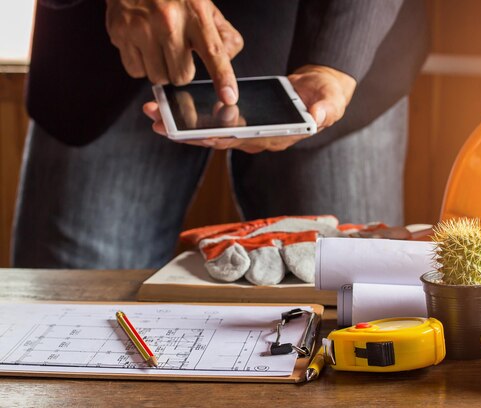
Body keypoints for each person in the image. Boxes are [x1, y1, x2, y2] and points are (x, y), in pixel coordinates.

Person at [12, 0, 429, 269]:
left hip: (333, 42)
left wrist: (336, 57)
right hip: (116, 50)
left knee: (355, 318)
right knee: (73, 330)